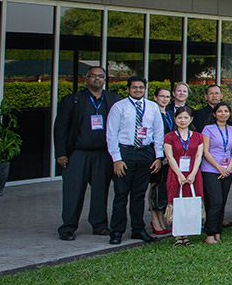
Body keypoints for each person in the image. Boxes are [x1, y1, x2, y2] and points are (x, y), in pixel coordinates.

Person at [54, 66, 117, 240]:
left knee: (100, 191)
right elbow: (60, 128)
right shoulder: (72, 100)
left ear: (105, 79)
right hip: (78, 153)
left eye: (101, 76)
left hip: (103, 154)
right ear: (86, 79)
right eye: (93, 76)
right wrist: (61, 153)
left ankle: (99, 225)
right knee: (73, 191)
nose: (97, 79)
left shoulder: (112, 99)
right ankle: (67, 227)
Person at [105, 77, 164, 245]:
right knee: (121, 194)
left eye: (141, 87)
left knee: (139, 195)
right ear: (128, 89)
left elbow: (159, 133)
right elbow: (111, 134)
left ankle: (138, 229)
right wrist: (116, 159)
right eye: (134, 87)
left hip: (145, 153)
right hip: (126, 153)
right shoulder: (119, 107)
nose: (138, 90)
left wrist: (158, 157)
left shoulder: (152, 107)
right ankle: (117, 231)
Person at [163, 106, 204, 245]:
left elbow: (199, 155)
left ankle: (186, 234)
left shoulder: (198, 136)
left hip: (193, 174)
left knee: (190, 201)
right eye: (180, 117)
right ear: (175, 119)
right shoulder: (169, 136)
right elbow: (169, 156)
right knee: (176, 202)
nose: (183, 120)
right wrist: (179, 174)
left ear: (191, 119)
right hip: (176, 173)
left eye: (186, 117)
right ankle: (177, 235)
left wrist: (192, 173)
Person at [199, 101, 232, 244]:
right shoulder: (208, 129)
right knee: (215, 202)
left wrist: (228, 168)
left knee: (222, 203)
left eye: (226, 111)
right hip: (210, 170)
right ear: (214, 114)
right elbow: (205, 151)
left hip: (227, 170)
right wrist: (219, 168)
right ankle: (209, 234)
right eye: (220, 111)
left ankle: (217, 232)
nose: (223, 114)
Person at [148, 86, 175, 235]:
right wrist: (160, 156)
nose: (165, 99)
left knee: (163, 188)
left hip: (169, 157)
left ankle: (162, 218)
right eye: (161, 96)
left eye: (167, 96)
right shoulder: (152, 114)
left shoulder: (171, 114)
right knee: (154, 188)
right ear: (155, 98)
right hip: (156, 156)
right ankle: (154, 219)